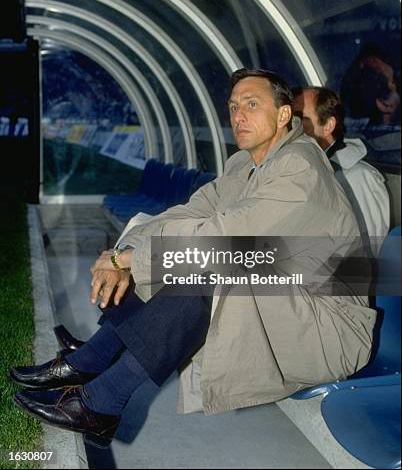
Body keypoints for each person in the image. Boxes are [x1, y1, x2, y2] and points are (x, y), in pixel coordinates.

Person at [10, 69, 376, 447]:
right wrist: (123, 252)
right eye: (234, 107)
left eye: (252, 104)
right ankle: (89, 362)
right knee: (174, 254)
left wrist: (136, 260)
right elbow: (187, 212)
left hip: (329, 328)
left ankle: (101, 400)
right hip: (289, 303)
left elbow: (225, 239)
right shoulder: (244, 165)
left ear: (284, 116)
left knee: (206, 268)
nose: (239, 115)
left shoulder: (301, 166)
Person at [292, 86, 390, 251]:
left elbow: (369, 250)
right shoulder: (301, 169)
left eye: (300, 118)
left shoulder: (357, 177)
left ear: (328, 125)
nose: (291, 127)